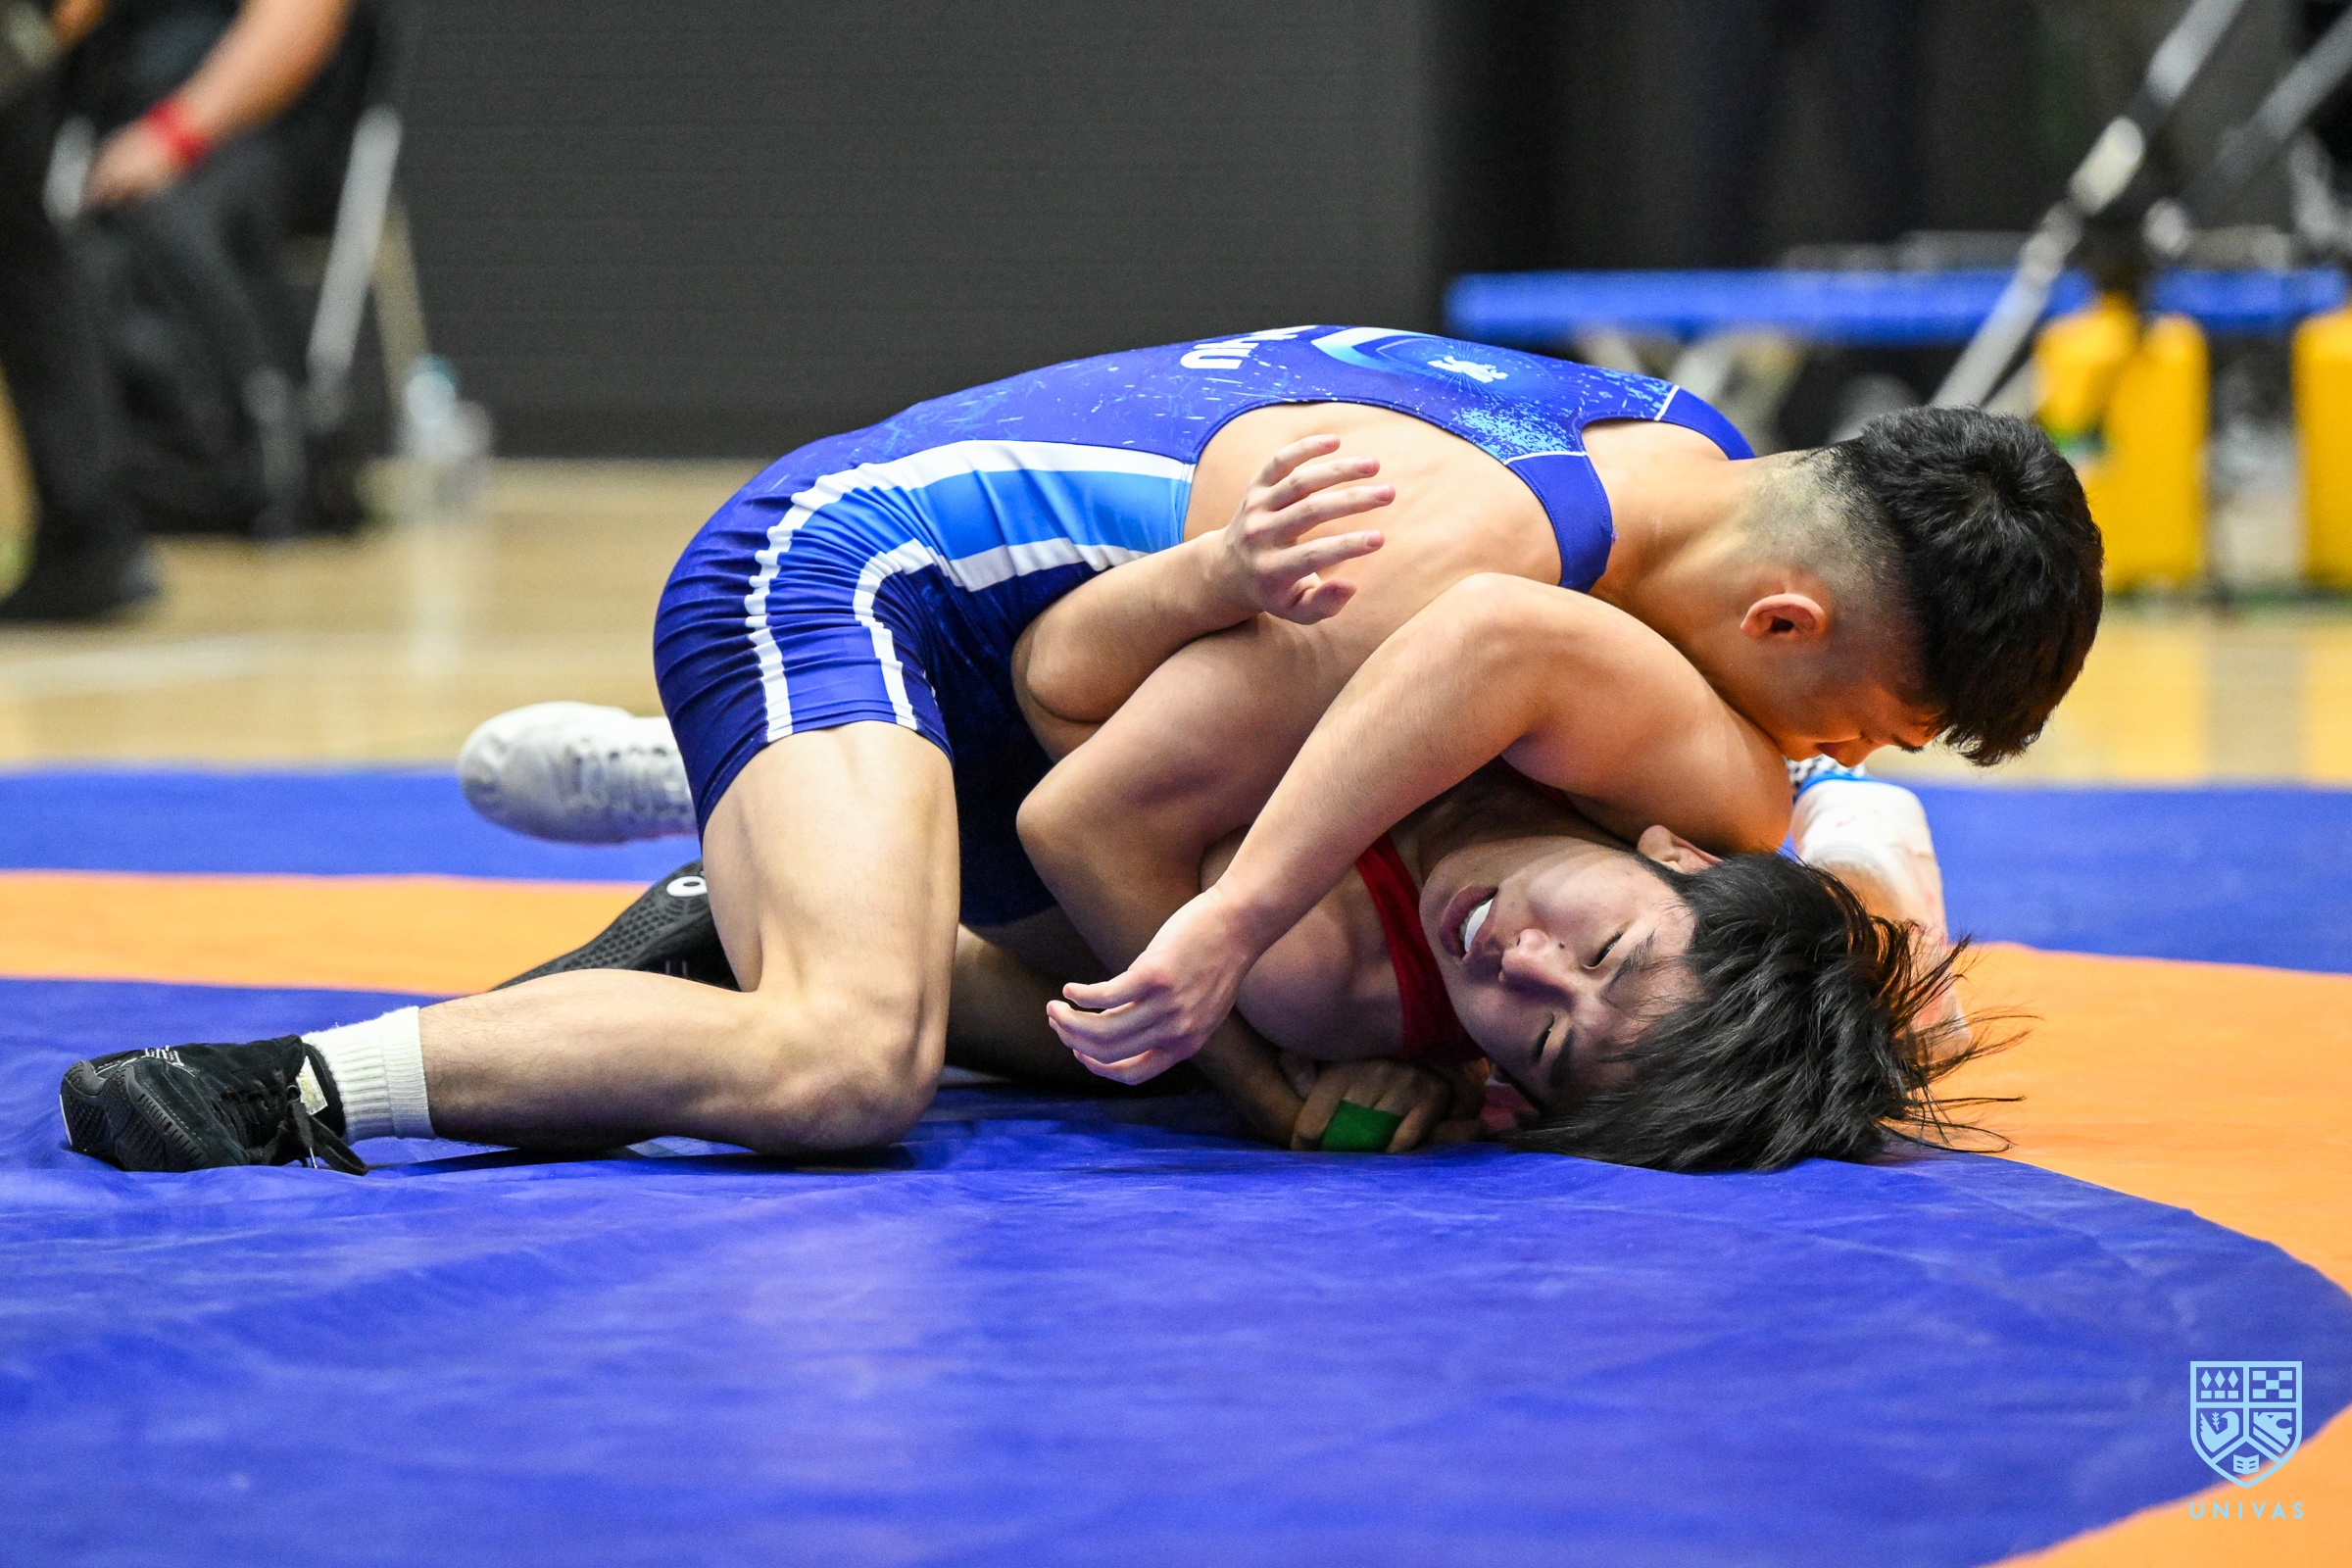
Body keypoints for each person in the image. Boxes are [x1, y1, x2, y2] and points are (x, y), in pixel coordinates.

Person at [58, 325, 2093, 1170]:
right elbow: (1075, 736)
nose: (1803, 762)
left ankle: (777, 853)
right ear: (1784, 629)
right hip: (882, 593)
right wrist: (1250, 1017)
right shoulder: (1448, 587)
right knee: (852, 1058)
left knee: (1143, 983)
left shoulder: (1681, 461)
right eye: (1851, 724)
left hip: (1070, 668)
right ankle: (306, 1081)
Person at [0, 0, 359, 618]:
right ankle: (89, 535)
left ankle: (107, 529)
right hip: (111, 128)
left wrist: (175, 133)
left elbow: (304, 14)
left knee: (127, 235)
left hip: (244, 135)